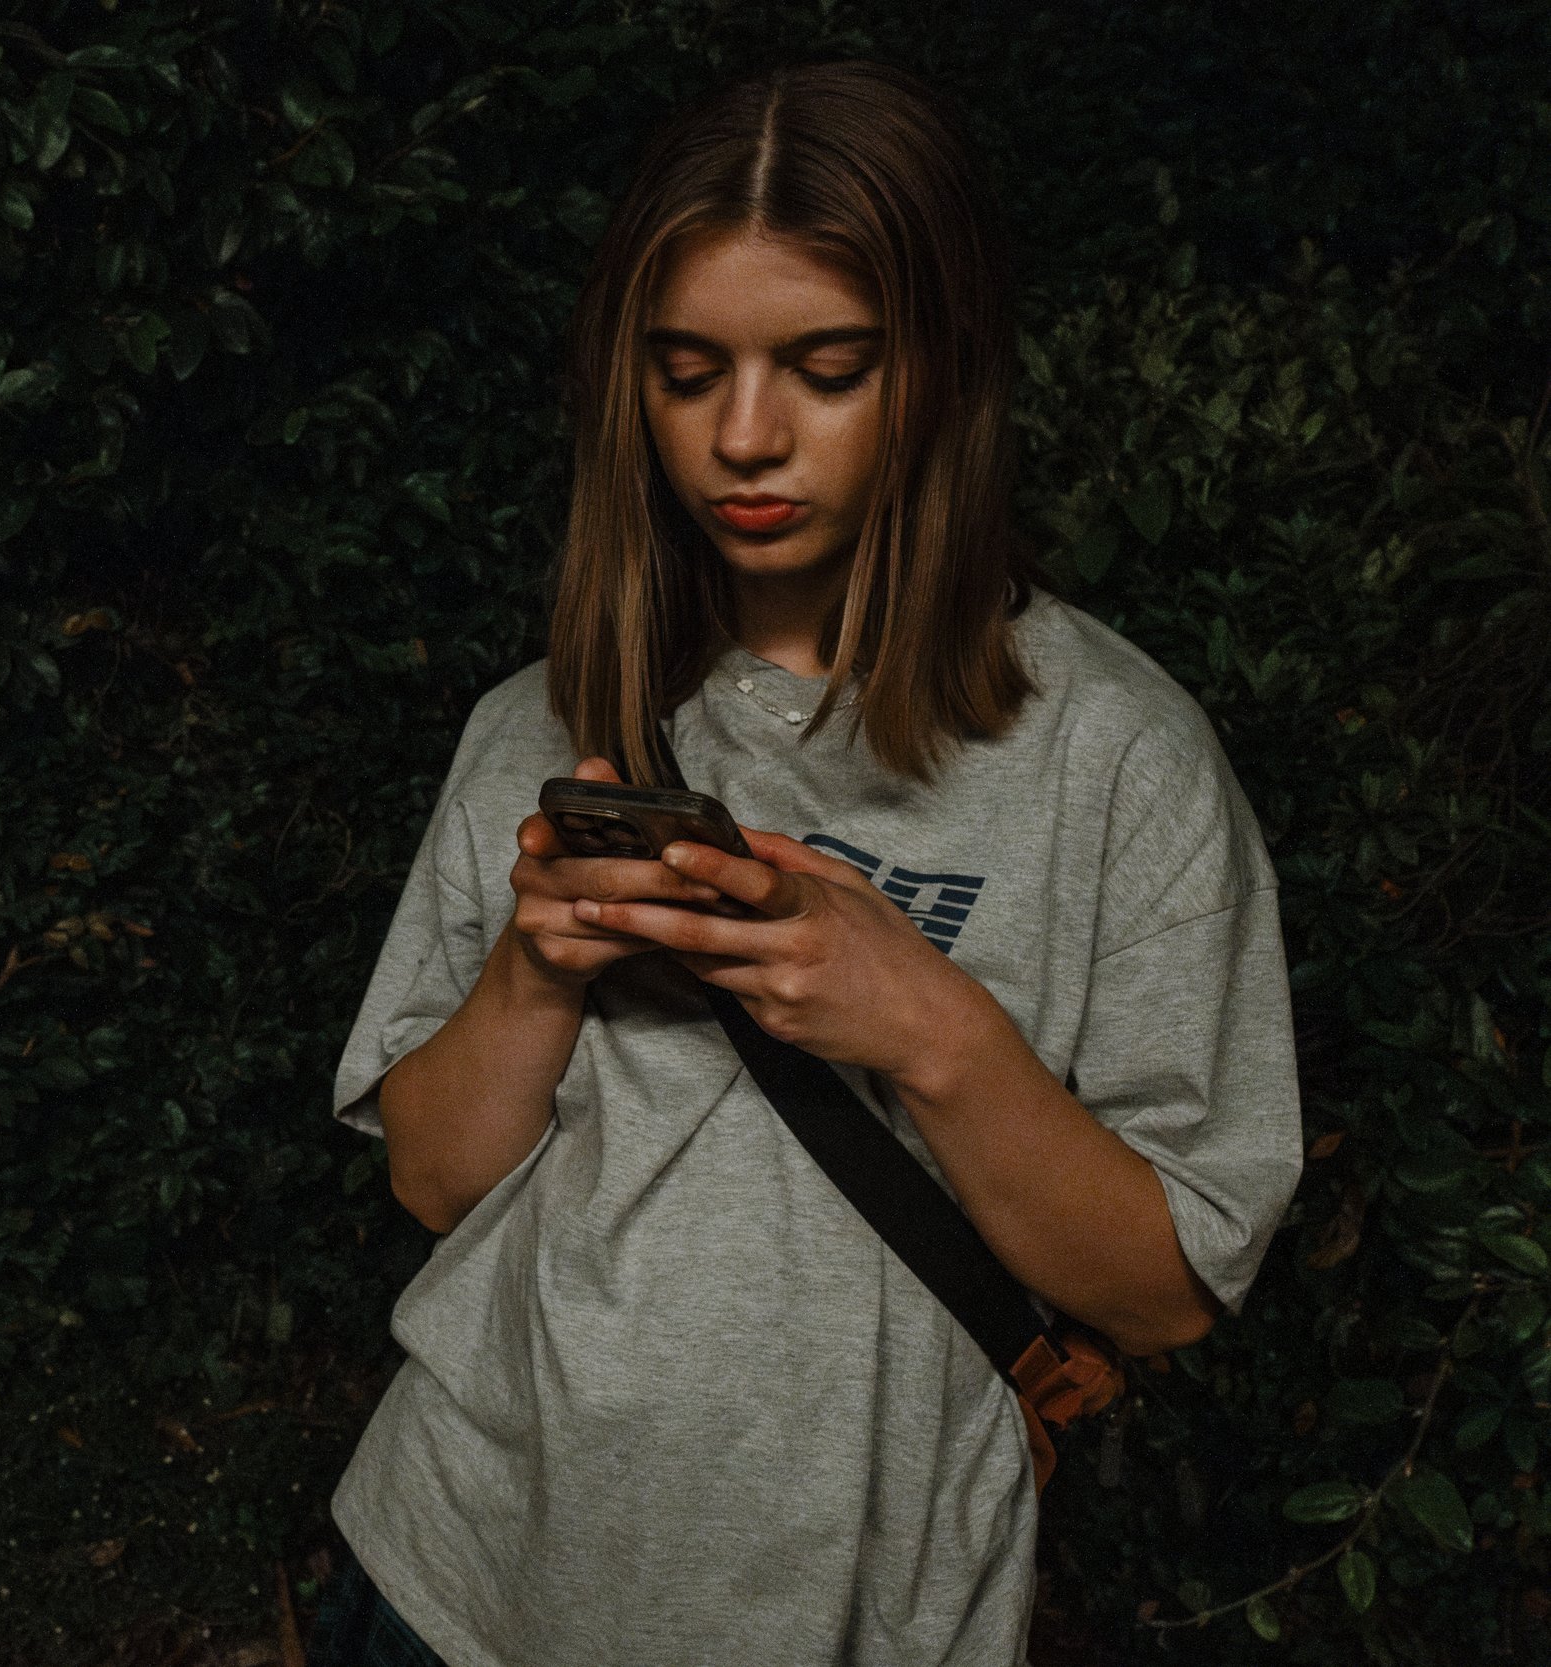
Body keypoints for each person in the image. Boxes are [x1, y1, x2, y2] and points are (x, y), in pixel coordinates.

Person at [306, 59, 1304, 1667]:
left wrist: (929, 1027)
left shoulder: (1118, 760)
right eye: (686, 372)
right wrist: (534, 966)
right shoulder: (550, 723)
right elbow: (432, 1182)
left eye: (827, 369)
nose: (744, 439)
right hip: (460, 1574)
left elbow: (1168, 1294)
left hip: (854, 1615)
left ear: (946, 373)